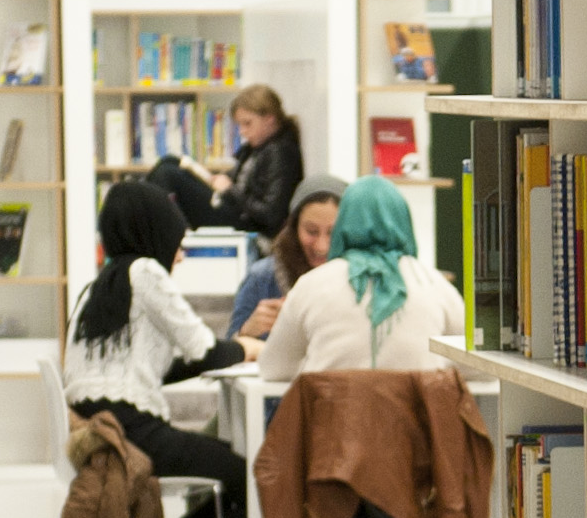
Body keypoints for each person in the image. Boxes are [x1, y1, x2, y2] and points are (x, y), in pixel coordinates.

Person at [66, 178, 248, 518]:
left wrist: (233, 350)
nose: (179, 256)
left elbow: (151, 371)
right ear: (157, 235)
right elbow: (205, 350)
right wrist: (248, 347)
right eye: (178, 243)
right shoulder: (146, 273)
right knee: (250, 476)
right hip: (134, 433)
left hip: (97, 431)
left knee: (228, 469)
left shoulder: (95, 289)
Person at [255, 180, 465, 381]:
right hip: (417, 418)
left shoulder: (311, 284)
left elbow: (273, 368)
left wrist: (317, 364)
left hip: (332, 417)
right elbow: (478, 365)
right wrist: (432, 364)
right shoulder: (433, 284)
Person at [230, 174, 343, 341]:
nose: (322, 245)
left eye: (333, 234)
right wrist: (246, 332)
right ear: (294, 228)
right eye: (311, 231)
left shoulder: (361, 280)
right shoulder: (263, 277)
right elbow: (227, 352)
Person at [190, 84, 303, 236]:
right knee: (171, 164)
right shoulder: (257, 148)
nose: (242, 132)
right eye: (240, 125)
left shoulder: (280, 152)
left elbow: (271, 214)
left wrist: (229, 191)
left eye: (248, 123)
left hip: (248, 225)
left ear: (269, 119)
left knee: (170, 175)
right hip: (236, 213)